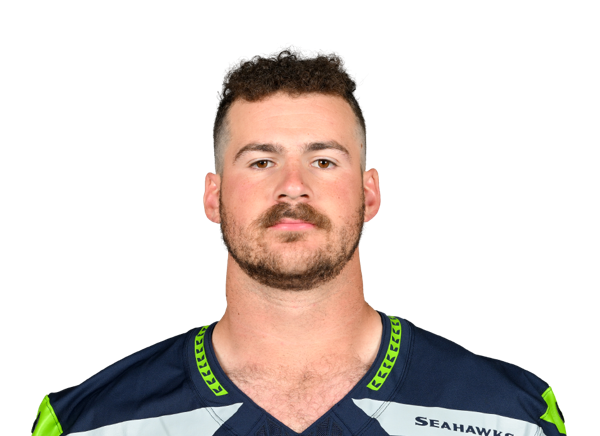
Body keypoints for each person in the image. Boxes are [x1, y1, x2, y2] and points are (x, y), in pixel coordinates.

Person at [32, 46, 566, 436]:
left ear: (370, 194)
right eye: (262, 161)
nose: (293, 186)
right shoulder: (89, 421)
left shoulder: (511, 415)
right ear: (213, 196)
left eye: (323, 161)